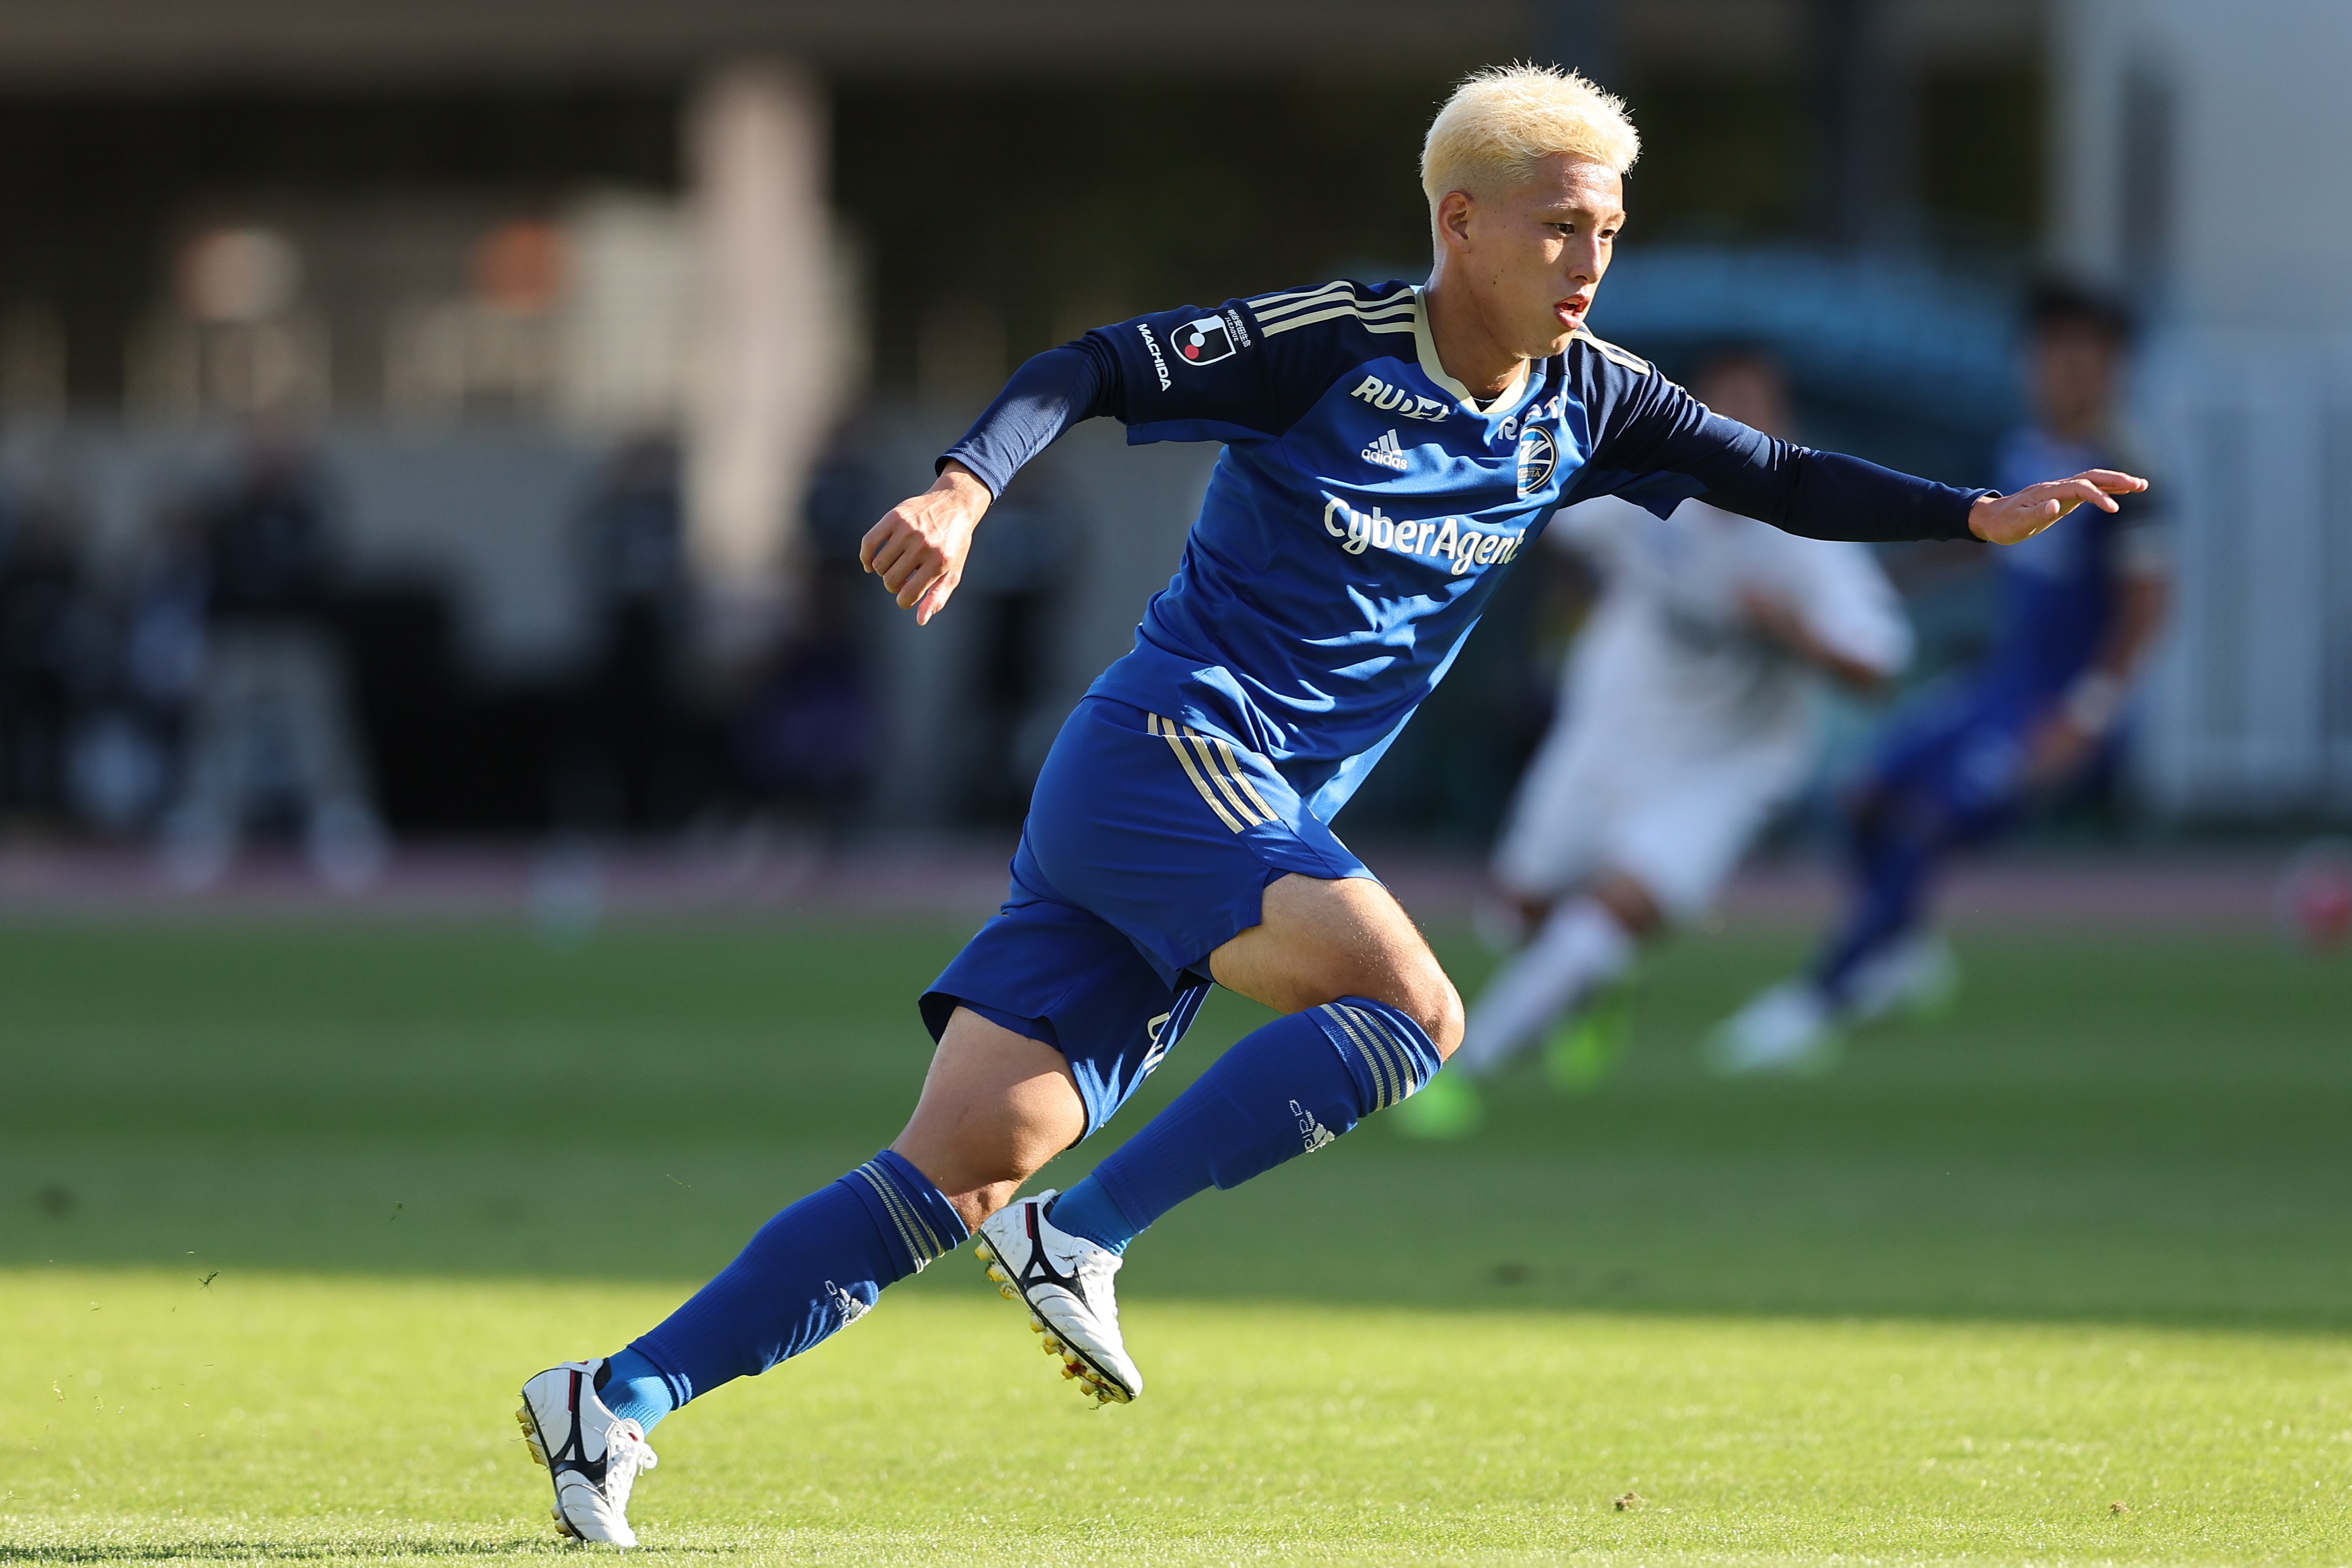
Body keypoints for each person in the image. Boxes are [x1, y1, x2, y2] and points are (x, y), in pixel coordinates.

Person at [512, 66, 2145, 1546]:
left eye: (1607, 230)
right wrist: (960, 486)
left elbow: (1771, 476)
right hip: (1172, 754)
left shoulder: (1588, 398)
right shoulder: (1333, 345)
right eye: (1560, 227)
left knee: (959, 1170)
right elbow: (1090, 365)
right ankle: (1091, 1237)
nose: (1590, 261)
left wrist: (1974, 513)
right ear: (1461, 222)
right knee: (1412, 1012)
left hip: (1212, 817)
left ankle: (615, 1399)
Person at [1394, 351, 1911, 1135]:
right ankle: (1593, 985)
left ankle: (1464, 1069)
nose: (1743, 427)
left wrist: (1792, 630)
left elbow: (1878, 667)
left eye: (1759, 409)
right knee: (1520, 910)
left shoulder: (1811, 535)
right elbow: (1550, 519)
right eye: (1726, 408)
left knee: (1611, 913)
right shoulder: (1650, 491)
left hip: (1730, 763)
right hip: (1614, 727)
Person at [1707, 280, 2169, 1074]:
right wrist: (1901, 578)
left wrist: (2086, 715)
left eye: (2085, 355)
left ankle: (1824, 997)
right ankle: (1897, 951)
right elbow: (1992, 539)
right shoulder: (2025, 450)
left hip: (2058, 706)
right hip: (2001, 686)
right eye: (2053, 352)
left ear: (2113, 368)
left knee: (1923, 823)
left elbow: (2147, 607)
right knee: (1865, 795)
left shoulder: (2128, 472)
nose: (2065, 370)